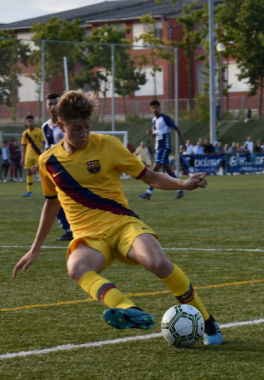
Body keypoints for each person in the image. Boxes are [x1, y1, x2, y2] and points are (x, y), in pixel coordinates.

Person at [11, 90, 223, 344]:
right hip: (89, 237)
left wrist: (184, 184)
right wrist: (34, 250)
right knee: (76, 267)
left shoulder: (108, 145)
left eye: (87, 127)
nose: (83, 133)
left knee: (158, 263)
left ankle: (208, 321)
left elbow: (150, 176)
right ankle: (128, 310)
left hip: (123, 225)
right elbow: (51, 205)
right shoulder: (48, 162)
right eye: (77, 128)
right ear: (60, 126)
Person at [38, 93, 73, 242]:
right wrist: (39, 162)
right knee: (54, 201)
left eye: (56, 103)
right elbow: (48, 147)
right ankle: (69, 230)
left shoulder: (66, 124)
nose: (53, 107)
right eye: (50, 104)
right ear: (46, 106)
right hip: (53, 169)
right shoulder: (45, 127)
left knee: (71, 200)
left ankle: (77, 229)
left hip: (68, 168)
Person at [138, 100, 186, 200]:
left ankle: (148, 193)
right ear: (150, 109)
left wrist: (183, 143)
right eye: (153, 108)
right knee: (169, 170)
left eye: (156, 107)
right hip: (159, 147)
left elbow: (177, 128)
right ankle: (180, 190)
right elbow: (156, 136)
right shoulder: (154, 120)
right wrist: (151, 133)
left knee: (154, 170)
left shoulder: (165, 118)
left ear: (159, 108)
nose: (155, 109)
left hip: (165, 147)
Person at [20, 115, 46, 195]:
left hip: (37, 155)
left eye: (31, 121)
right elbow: (24, 146)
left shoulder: (39, 131)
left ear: (34, 122)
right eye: (28, 121)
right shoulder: (25, 133)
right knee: (29, 172)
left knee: (41, 172)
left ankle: (46, 190)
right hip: (28, 155)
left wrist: (44, 153)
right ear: (26, 123)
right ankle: (29, 191)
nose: (30, 123)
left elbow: (44, 143)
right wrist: (22, 158)